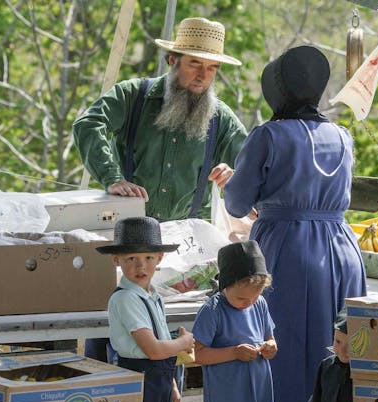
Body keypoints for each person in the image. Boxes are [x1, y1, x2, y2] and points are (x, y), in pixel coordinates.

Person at [223, 46, 367, 402]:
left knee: (281, 351)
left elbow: (236, 202)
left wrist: (234, 181)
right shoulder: (342, 135)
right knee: (333, 352)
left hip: (284, 247)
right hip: (340, 248)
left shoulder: (267, 135)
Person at [73, 17, 248, 362]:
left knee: (171, 347)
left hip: (183, 254)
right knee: (108, 343)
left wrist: (235, 175)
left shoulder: (220, 118)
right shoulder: (133, 96)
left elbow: (252, 165)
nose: (202, 76)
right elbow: (88, 124)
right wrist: (111, 177)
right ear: (172, 60)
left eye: (211, 68)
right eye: (194, 64)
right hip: (127, 246)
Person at [96, 216, 195, 402]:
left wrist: (172, 384)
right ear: (116, 259)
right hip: (140, 377)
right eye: (131, 259)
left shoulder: (153, 296)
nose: (141, 266)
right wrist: (184, 342)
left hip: (159, 377)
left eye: (148, 258)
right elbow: (152, 349)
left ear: (160, 258)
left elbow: (160, 346)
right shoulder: (126, 298)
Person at [192, 240, 277, 402]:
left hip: (259, 386)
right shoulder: (213, 310)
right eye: (241, 297)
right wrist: (234, 352)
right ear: (225, 285)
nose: (248, 302)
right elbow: (198, 354)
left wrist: (271, 346)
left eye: (255, 296)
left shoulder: (258, 305)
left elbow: (270, 336)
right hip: (228, 392)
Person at [300, 309, 354, 402]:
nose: (343, 350)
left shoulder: (363, 372)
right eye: (338, 342)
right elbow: (318, 395)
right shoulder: (327, 366)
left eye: (351, 345)